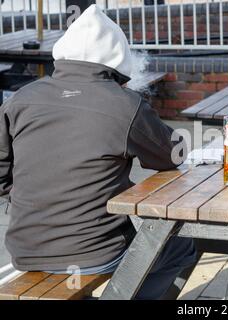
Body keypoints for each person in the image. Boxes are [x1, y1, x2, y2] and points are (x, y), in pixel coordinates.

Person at [0, 5, 195, 299]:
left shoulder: (22, 98)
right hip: (96, 250)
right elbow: (172, 155)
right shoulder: (124, 104)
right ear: (116, 60)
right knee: (180, 247)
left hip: (24, 248)